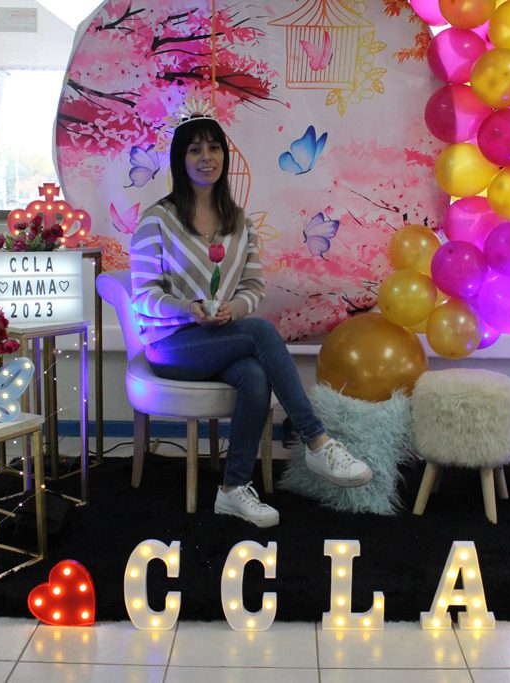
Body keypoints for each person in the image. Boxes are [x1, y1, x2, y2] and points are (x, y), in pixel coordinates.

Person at [130, 108, 372, 528]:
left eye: (214, 148)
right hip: (170, 345)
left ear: (225, 156)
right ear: (180, 159)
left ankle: (233, 489)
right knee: (259, 332)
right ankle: (316, 440)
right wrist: (188, 308)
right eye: (195, 150)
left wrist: (233, 309)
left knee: (255, 375)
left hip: (222, 339)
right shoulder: (158, 220)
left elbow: (253, 287)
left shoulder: (239, 222)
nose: (206, 157)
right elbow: (144, 296)